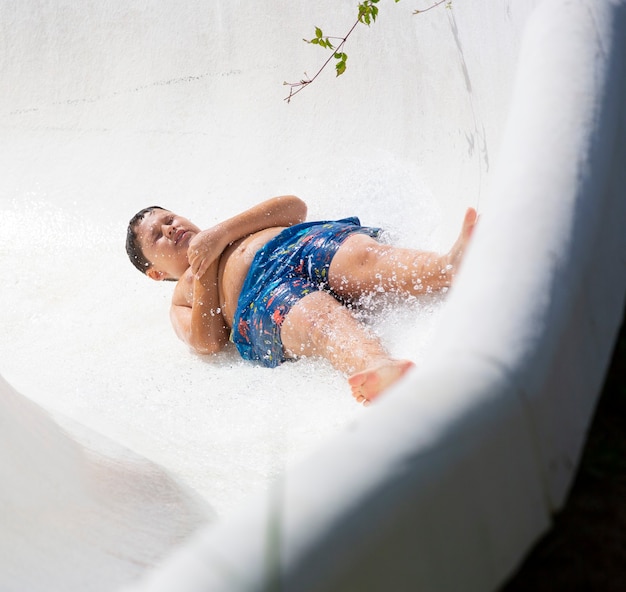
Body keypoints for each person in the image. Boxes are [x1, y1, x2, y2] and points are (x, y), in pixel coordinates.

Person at [126, 195, 477, 405]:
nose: (171, 228)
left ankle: (446, 266)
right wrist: (204, 271)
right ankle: (377, 366)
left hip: (298, 243)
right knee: (318, 319)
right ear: (156, 273)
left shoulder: (228, 228)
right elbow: (207, 341)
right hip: (261, 296)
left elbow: (294, 206)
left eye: (170, 219)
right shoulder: (181, 296)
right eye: (158, 235)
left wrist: (220, 235)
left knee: (364, 258)